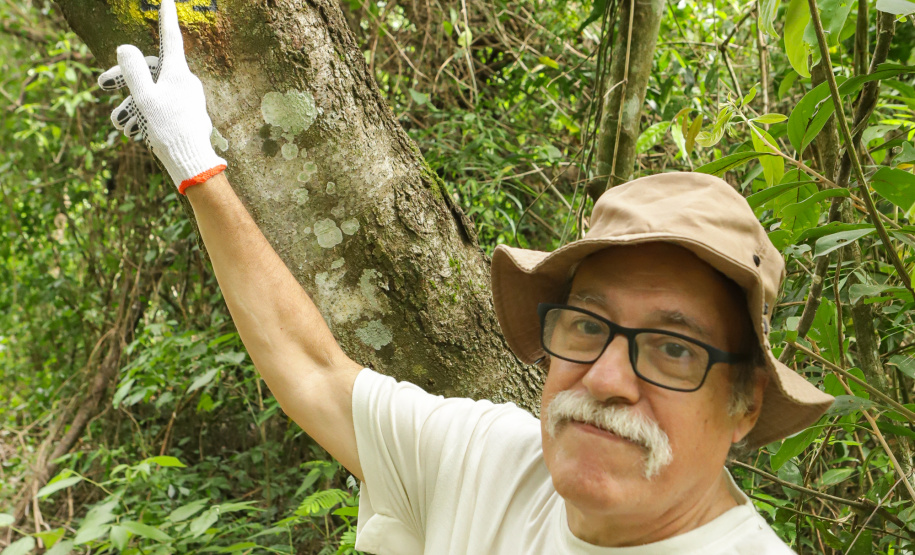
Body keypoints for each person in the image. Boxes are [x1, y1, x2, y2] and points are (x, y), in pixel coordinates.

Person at [98, 1, 834, 552]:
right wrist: (195, 164)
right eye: (586, 326)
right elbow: (314, 372)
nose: (607, 378)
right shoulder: (492, 459)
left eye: (673, 348)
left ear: (744, 404)